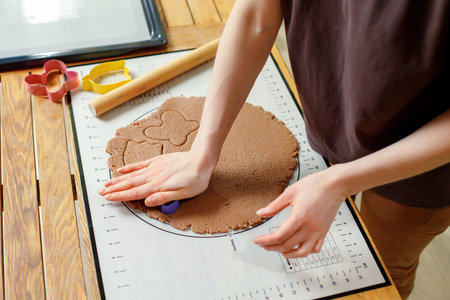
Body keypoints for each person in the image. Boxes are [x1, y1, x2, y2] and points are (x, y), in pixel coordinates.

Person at [98, 1, 450, 298]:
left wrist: (342, 180)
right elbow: (255, 16)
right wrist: (202, 151)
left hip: (423, 168)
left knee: (384, 267)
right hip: (336, 121)